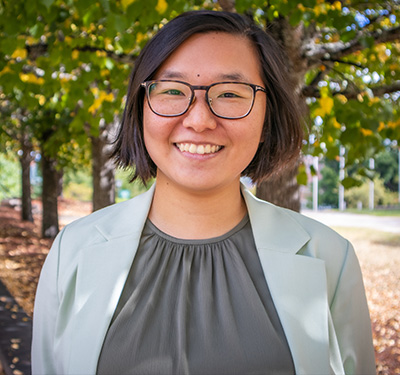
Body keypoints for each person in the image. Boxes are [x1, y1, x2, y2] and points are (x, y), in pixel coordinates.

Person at [31, 10, 376, 375]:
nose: (199, 120)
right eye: (173, 91)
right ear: (140, 108)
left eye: (229, 94)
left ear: (266, 118)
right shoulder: (73, 252)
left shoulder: (331, 260)